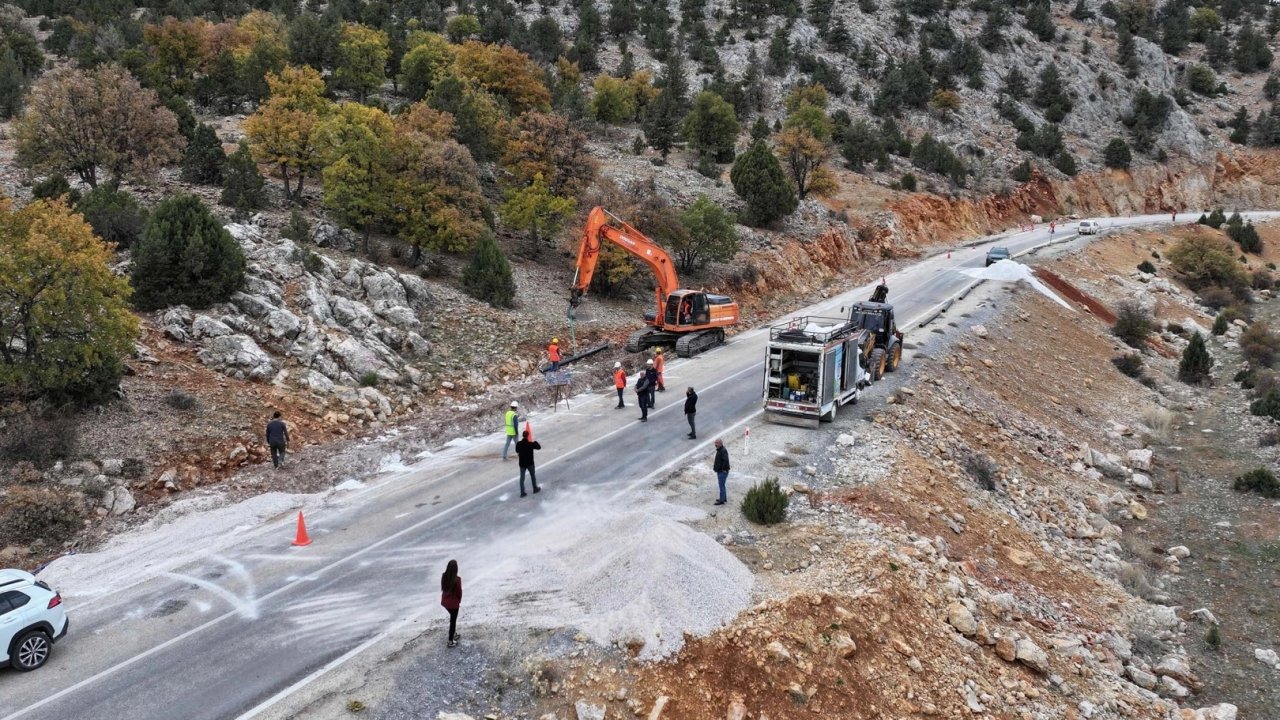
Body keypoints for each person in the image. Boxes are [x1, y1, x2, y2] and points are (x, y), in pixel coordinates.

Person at [441, 560, 463, 648]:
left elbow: (443, 587)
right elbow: (459, 592)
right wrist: (459, 601)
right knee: (453, 622)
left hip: (445, 602)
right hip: (453, 604)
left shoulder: (444, 576)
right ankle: (450, 641)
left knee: (452, 618)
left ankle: (453, 634)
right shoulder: (457, 579)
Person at [515, 430, 542, 497]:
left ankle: (522, 492)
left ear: (522, 436)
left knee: (522, 478)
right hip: (530, 463)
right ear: (528, 436)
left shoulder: (519, 444)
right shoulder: (530, 444)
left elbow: (517, 450)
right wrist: (535, 442)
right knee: (532, 476)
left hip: (522, 464)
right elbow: (539, 447)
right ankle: (535, 488)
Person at [712, 439, 730, 505]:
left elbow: (726, 461)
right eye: (715, 443)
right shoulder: (720, 450)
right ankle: (723, 498)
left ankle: (721, 500)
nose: (715, 445)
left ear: (720, 443)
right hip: (720, 471)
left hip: (722, 472)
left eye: (716, 443)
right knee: (722, 485)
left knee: (721, 486)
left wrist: (723, 469)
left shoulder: (723, 451)